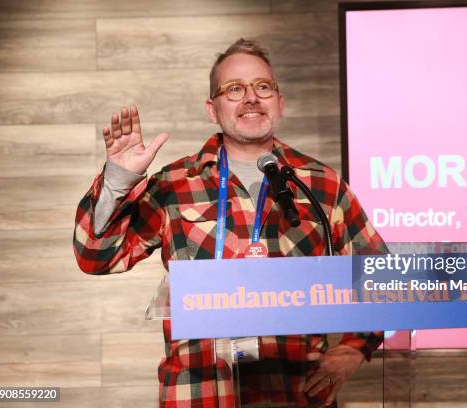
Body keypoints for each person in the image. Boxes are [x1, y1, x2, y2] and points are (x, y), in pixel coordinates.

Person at [73, 39, 385, 407]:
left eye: (262, 87)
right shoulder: (175, 183)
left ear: (280, 103)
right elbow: (96, 257)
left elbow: (380, 277)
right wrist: (116, 181)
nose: (251, 98)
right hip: (199, 393)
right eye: (234, 89)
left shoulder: (321, 184)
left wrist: (353, 349)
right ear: (212, 109)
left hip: (293, 393)